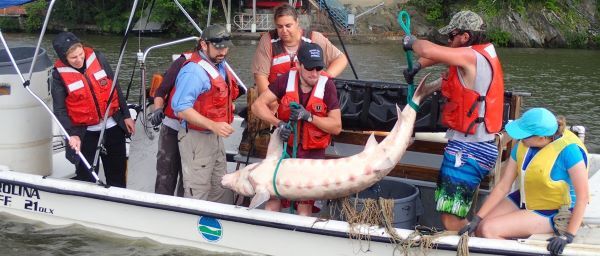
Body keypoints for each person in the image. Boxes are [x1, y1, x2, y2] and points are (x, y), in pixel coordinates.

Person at [402, 10, 505, 230]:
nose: (449, 41)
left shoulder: (470, 57)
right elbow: (442, 61)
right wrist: (417, 68)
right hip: (473, 145)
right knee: (449, 210)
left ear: (465, 37)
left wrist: (411, 41)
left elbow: (430, 49)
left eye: (452, 36)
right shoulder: (477, 56)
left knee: (450, 216)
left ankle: (471, 246)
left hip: (470, 150)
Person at [459, 108, 589, 256]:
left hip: (554, 209)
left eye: (524, 135)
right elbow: (503, 186)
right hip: (528, 197)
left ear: (541, 137)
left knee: (489, 229)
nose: (521, 139)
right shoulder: (523, 145)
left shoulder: (569, 151)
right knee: (480, 227)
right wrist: (477, 218)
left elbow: (583, 197)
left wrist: (568, 235)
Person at [240, 3, 348, 158]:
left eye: (288, 25)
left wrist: (324, 78)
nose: (284, 31)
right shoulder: (268, 42)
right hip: (278, 99)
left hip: (309, 102)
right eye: (280, 26)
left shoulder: (314, 39)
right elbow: (261, 77)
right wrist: (275, 110)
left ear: (297, 22)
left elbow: (340, 59)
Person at [252, 43, 342, 216]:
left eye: (318, 68)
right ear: (299, 65)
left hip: (311, 154)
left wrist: (309, 117)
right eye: (309, 68)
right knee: (272, 199)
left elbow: (336, 126)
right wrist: (279, 124)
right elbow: (258, 106)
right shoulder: (285, 80)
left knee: (304, 205)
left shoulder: (327, 86)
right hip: (286, 151)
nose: (315, 73)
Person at [51, 32, 135, 187]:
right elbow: (60, 110)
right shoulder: (58, 76)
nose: (79, 59)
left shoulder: (98, 58)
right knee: (86, 177)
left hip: (112, 125)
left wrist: (126, 115)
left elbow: (115, 87)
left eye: (81, 54)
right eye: (73, 58)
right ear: (64, 58)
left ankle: (117, 204)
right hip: (84, 132)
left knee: (117, 174)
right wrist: (72, 135)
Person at [170, 24, 241, 203]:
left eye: (225, 47)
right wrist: (213, 125)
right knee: (198, 188)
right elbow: (180, 107)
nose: (222, 51)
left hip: (215, 137)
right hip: (196, 138)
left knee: (221, 185)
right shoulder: (193, 71)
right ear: (203, 45)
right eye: (217, 47)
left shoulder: (220, 65)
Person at [148, 45, 203, 197]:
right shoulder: (182, 62)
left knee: (189, 176)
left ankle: (182, 208)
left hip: (196, 131)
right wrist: (158, 109)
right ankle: (161, 207)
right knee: (166, 171)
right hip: (173, 127)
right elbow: (161, 90)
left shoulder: (218, 67)